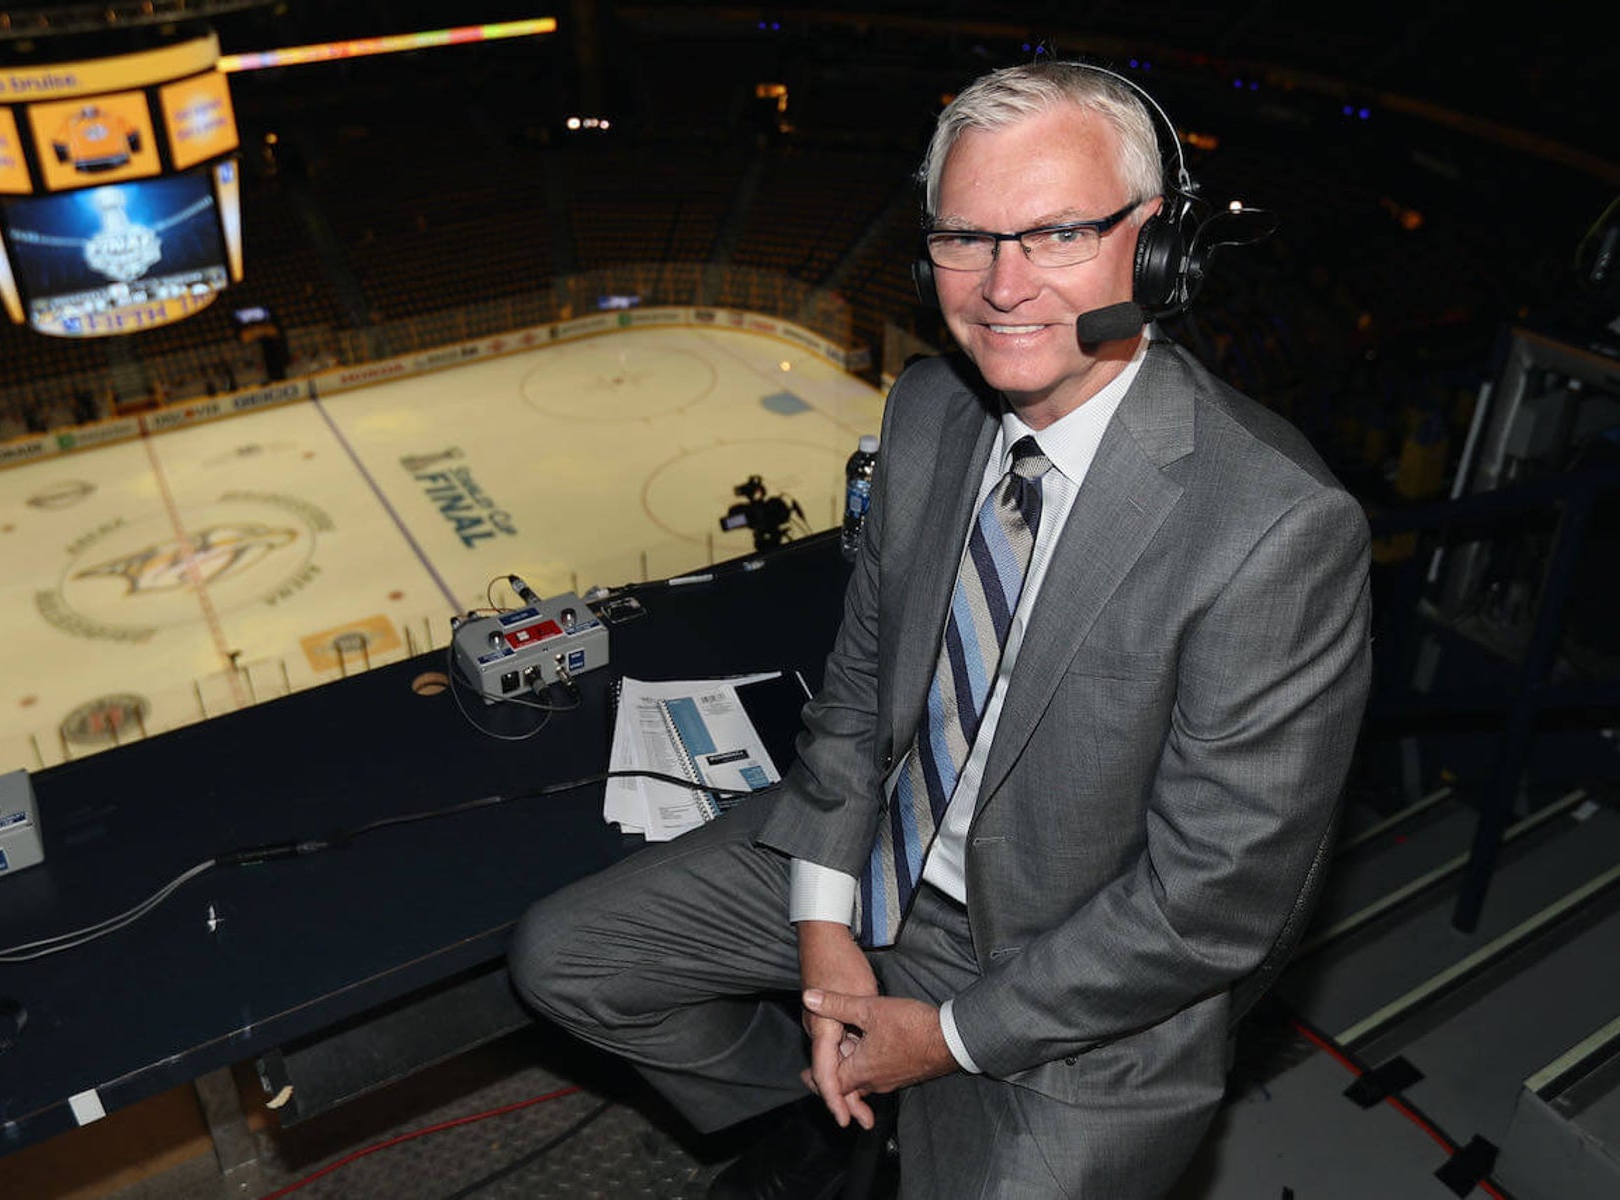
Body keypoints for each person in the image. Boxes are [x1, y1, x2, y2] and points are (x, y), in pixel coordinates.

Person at [510, 59, 1371, 1198]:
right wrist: (823, 919)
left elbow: (1206, 907)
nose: (1002, 285)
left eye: (1057, 233)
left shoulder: (1276, 525)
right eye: (965, 237)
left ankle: (893, 1085)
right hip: (881, 861)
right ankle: (824, 1102)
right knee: (566, 961)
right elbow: (861, 696)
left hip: (1093, 964)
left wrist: (946, 1036)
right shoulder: (926, 410)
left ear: (1155, 246)